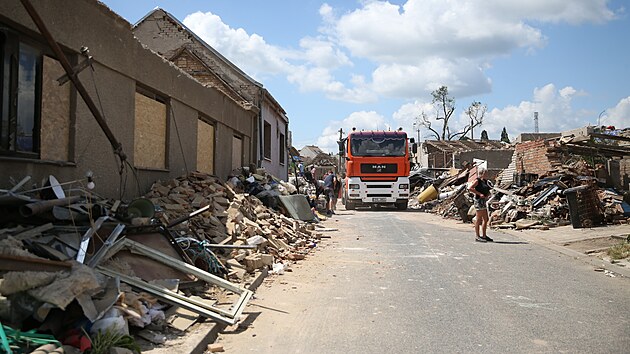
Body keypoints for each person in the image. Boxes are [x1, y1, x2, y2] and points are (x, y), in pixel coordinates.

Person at [468, 166, 493, 242]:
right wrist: (479, 194)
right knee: (479, 219)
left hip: (484, 201)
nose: (487, 174)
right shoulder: (477, 180)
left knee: (486, 219)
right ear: (481, 173)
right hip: (478, 201)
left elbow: (488, 190)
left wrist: (488, 195)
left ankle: (484, 235)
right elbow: (470, 188)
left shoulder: (485, 181)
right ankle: (477, 236)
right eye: (485, 173)